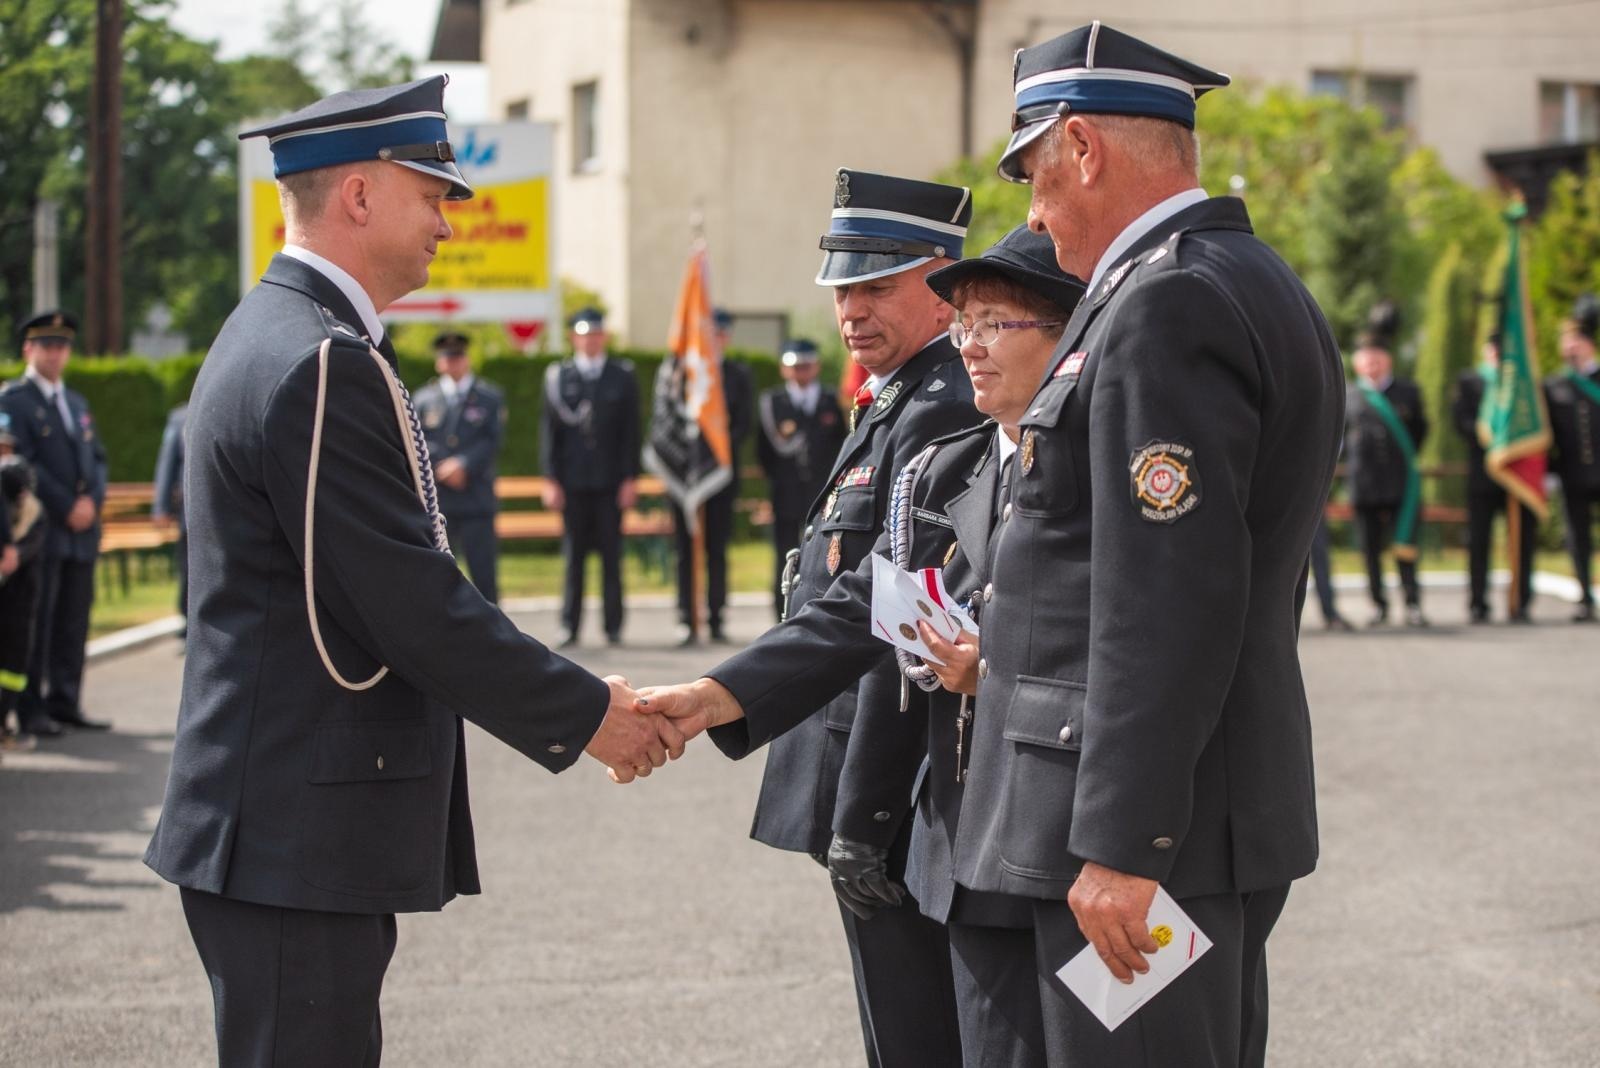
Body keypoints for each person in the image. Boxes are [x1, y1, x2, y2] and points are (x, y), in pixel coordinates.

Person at [140, 77, 680, 1067]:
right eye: (431, 193)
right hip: (291, 835)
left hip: (277, 828)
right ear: (357, 196)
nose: (446, 218)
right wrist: (589, 715)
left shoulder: (281, 333)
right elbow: (410, 603)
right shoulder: (320, 361)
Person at [855, 23, 1334, 1067]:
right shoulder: (1240, 279)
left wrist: (1124, 842)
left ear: (1080, 145)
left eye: (1030, 171)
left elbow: (1165, 596)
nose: (1031, 208)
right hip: (1181, 814)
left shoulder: (1165, 301)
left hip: (1143, 833)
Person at [640, 225, 1086, 1066]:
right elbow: (880, 606)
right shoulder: (963, 458)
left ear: (1070, 341)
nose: (973, 347)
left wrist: (870, 808)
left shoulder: (1065, 456)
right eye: (968, 325)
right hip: (960, 831)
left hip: (1056, 836)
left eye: (996, 324)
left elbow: (1138, 643)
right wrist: (714, 696)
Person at [0, 310, 109, 737]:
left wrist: (92, 502)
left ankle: (66, 700)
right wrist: (67, 505)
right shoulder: (12, 401)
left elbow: (97, 460)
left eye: (62, 345)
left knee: (73, 620)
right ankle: (32, 708)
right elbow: (18, 465)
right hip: (45, 529)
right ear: (28, 348)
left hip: (81, 531)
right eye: (46, 345)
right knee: (37, 624)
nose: (55, 353)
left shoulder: (77, 404)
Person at [541, 306, 640, 647]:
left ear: (604, 337)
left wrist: (630, 479)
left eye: (596, 334)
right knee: (574, 559)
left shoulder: (621, 375)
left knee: (612, 559)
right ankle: (570, 625)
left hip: (610, 483)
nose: (591, 341)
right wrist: (550, 479)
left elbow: (631, 432)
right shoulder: (558, 377)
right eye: (585, 335)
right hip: (573, 483)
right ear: (574, 338)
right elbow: (549, 433)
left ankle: (614, 627)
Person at [664, 308, 753, 644]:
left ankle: (715, 616)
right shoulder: (682, 373)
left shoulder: (736, 374)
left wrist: (717, 447)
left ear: (725, 337)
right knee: (684, 548)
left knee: (717, 547)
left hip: (719, 474)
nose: (713, 339)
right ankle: (686, 617)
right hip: (684, 475)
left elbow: (744, 422)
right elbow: (670, 420)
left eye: (719, 333)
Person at [1345, 305, 1429, 627]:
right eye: (1366, 358)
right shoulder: (1350, 395)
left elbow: (1420, 431)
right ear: (1357, 363)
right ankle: (1378, 604)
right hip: (1364, 485)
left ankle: (1412, 603)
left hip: (1400, 484)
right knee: (1370, 550)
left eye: (1377, 357)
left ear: (1387, 360)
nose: (1371, 363)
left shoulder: (1408, 392)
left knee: (1406, 545)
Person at [413, 330, 507, 603]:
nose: (452, 362)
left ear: (466, 359)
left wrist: (464, 464)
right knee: (439, 575)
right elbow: (417, 441)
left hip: (476, 497)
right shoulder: (423, 399)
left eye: (458, 356)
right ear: (439, 362)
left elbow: (492, 441)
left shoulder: (489, 397)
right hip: (440, 501)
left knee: (484, 575)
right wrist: (444, 466)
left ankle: (494, 640)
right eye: (447, 357)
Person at [756, 338, 846, 619]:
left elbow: (841, 445)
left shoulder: (829, 400)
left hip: (822, 493)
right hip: (786, 491)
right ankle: (781, 613)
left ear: (816, 367)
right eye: (795, 367)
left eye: (806, 366)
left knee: (822, 553)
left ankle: (816, 610)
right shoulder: (773, 402)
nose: (801, 372)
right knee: (784, 553)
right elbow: (764, 452)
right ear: (784, 369)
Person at [1455, 335, 1535, 622]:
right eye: (1494, 349)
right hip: (1483, 471)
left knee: (1522, 540)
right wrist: (1493, 438)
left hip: (1517, 473)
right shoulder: (1471, 381)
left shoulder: (1524, 383)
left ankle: (1521, 600)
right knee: (1478, 541)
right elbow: (1460, 421)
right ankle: (1478, 602)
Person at [1546, 293, 1600, 622]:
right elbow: (1546, 434)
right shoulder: (1554, 386)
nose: (1570, 347)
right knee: (1577, 536)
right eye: (1566, 341)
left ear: (1589, 343)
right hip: (1572, 473)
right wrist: (1549, 471)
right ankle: (1585, 596)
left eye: (1576, 340)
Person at [0, 423, 46, 754]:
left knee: (15, 662)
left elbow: (22, 552)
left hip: (20, 601)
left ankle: (5, 721)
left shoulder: (33, 513)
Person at [152, 403, 189, 629]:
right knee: (188, 569)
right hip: (189, 512)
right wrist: (161, 507)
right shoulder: (179, 418)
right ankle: (187, 621)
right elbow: (167, 464)